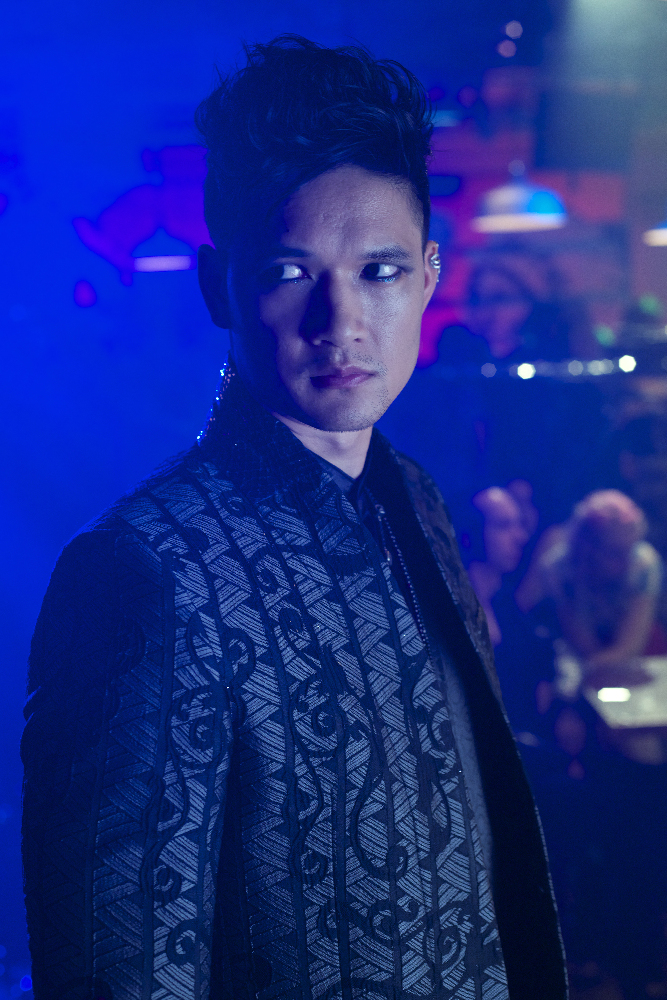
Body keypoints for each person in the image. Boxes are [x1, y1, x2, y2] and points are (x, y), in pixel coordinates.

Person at [21, 37, 566, 1000]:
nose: (340, 321)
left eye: (379, 272)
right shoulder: (141, 570)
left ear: (429, 274)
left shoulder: (415, 500)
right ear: (217, 285)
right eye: (288, 272)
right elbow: (118, 976)